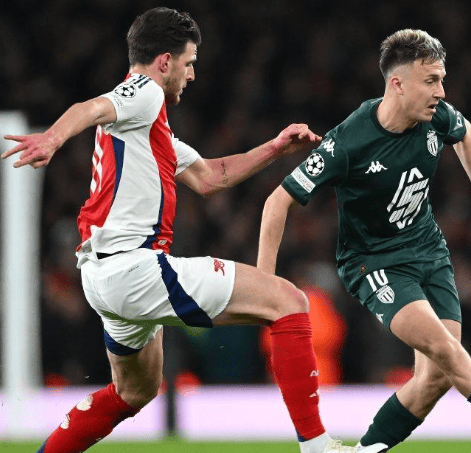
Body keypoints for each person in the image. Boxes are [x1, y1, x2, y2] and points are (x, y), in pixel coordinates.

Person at [1, 7, 380, 453]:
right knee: (289, 301)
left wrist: (275, 149)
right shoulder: (143, 93)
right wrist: (53, 137)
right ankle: (317, 447)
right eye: (189, 62)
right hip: (133, 269)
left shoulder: (148, 129)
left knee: (134, 391)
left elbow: (210, 177)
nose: (193, 74)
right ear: (165, 61)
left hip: (104, 275)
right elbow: (93, 107)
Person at [257, 29, 471, 453]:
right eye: (431, 81)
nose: (441, 92)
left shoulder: (435, 116)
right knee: (448, 352)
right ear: (398, 84)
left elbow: (466, 133)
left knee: (436, 378)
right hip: (375, 264)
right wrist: (264, 287)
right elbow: (277, 202)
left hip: (429, 251)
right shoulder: (348, 142)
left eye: (441, 79)